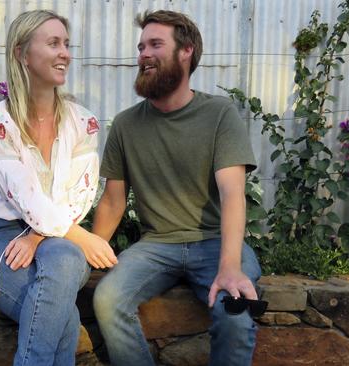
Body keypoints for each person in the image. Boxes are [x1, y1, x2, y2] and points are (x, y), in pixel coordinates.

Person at [92, 10, 262, 366]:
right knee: (107, 299)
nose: (143, 54)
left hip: (214, 241)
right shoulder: (126, 125)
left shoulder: (219, 114)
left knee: (235, 312)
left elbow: (233, 194)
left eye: (155, 44)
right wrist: (91, 250)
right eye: (141, 47)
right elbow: (112, 200)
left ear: (186, 51)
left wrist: (230, 266)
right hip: (156, 247)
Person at [0, 10, 118, 366]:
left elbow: (80, 195)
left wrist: (38, 236)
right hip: (1, 237)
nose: (65, 53)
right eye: (54, 43)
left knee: (64, 259)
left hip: (59, 239)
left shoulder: (84, 122)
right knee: (62, 315)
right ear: (22, 54)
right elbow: (25, 196)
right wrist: (84, 238)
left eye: (66, 44)